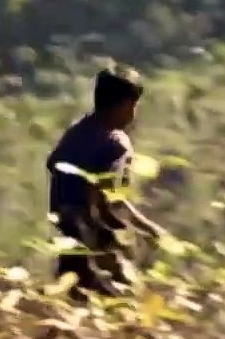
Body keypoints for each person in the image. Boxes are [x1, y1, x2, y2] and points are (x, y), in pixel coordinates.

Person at [46, 67, 163, 299]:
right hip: (94, 242)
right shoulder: (116, 142)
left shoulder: (77, 131)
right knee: (123, 301)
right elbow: (110, 202)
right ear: (125, 106)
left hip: (66, 236)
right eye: (134, 105)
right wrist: (149, 230)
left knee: (70, 299)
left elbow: (53, 163)